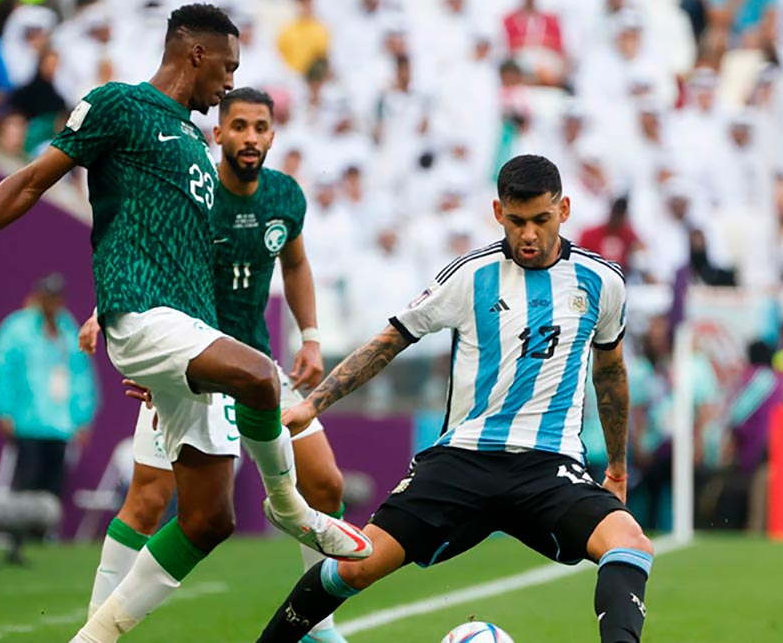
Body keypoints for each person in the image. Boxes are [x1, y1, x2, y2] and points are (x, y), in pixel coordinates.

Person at [0, 4, 370, 643]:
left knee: (208, 518)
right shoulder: (118, 105)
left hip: (185, 338)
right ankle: (291, 509)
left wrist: (179, 374)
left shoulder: (194, 144)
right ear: (196, 54)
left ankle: (91, 640)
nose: (230, 83)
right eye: (228, 67)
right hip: (142, 315)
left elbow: (180, 252)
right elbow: (31, 181)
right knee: (261, 378)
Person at [255, 155, 654, 643]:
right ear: (497, 212)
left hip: (548, 467)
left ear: (564, 209)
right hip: (462, 461)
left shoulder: (602, 282)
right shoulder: (470, 275)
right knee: (355, 566)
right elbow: (389, 341)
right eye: (517, 221)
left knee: (630, 545)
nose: (528, 234)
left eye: (541, 220)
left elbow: (610, 372)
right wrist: (314, 405)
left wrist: (616, 467)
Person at [78, 87, 351, 643]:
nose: (250, 137)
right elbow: (150, 256)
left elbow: (295, 264)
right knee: (149, 499)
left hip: (256, 365)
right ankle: (97, 621)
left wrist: (312, 338)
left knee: (324, 482)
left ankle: (317, 624)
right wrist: (105, 316)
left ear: (273, 135)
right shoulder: (195, 192)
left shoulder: (284, 196)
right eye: (240, 126)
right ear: (218, 134)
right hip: (191, 361)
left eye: (260, 127)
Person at [0, 273, 96, 501]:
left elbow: (81, 375)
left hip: (60, 424)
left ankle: (46, 533)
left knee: (53, 487)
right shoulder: (17, 328)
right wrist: (3, 410)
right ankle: (23, 533)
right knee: (27, 483)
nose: (52, 302)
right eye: (47, 296)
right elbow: (0, 368)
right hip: (28, 421)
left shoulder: (68, 330)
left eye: (56, 297)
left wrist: (82, 416)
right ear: (38, 297)